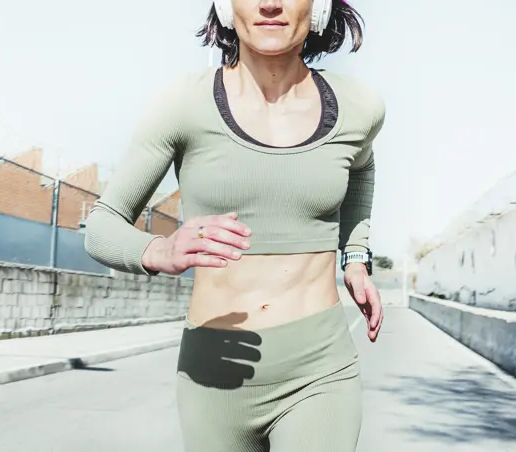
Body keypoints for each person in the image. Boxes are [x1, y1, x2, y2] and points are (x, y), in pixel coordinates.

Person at [84, 0, 385, 450]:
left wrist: (356, 257)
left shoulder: (359, 107)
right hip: (214, 374)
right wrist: (159, 250)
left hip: (319, 369)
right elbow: (101, 226)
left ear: (319, 6)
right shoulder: (182, 103)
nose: (269, 4)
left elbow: (361, 168)